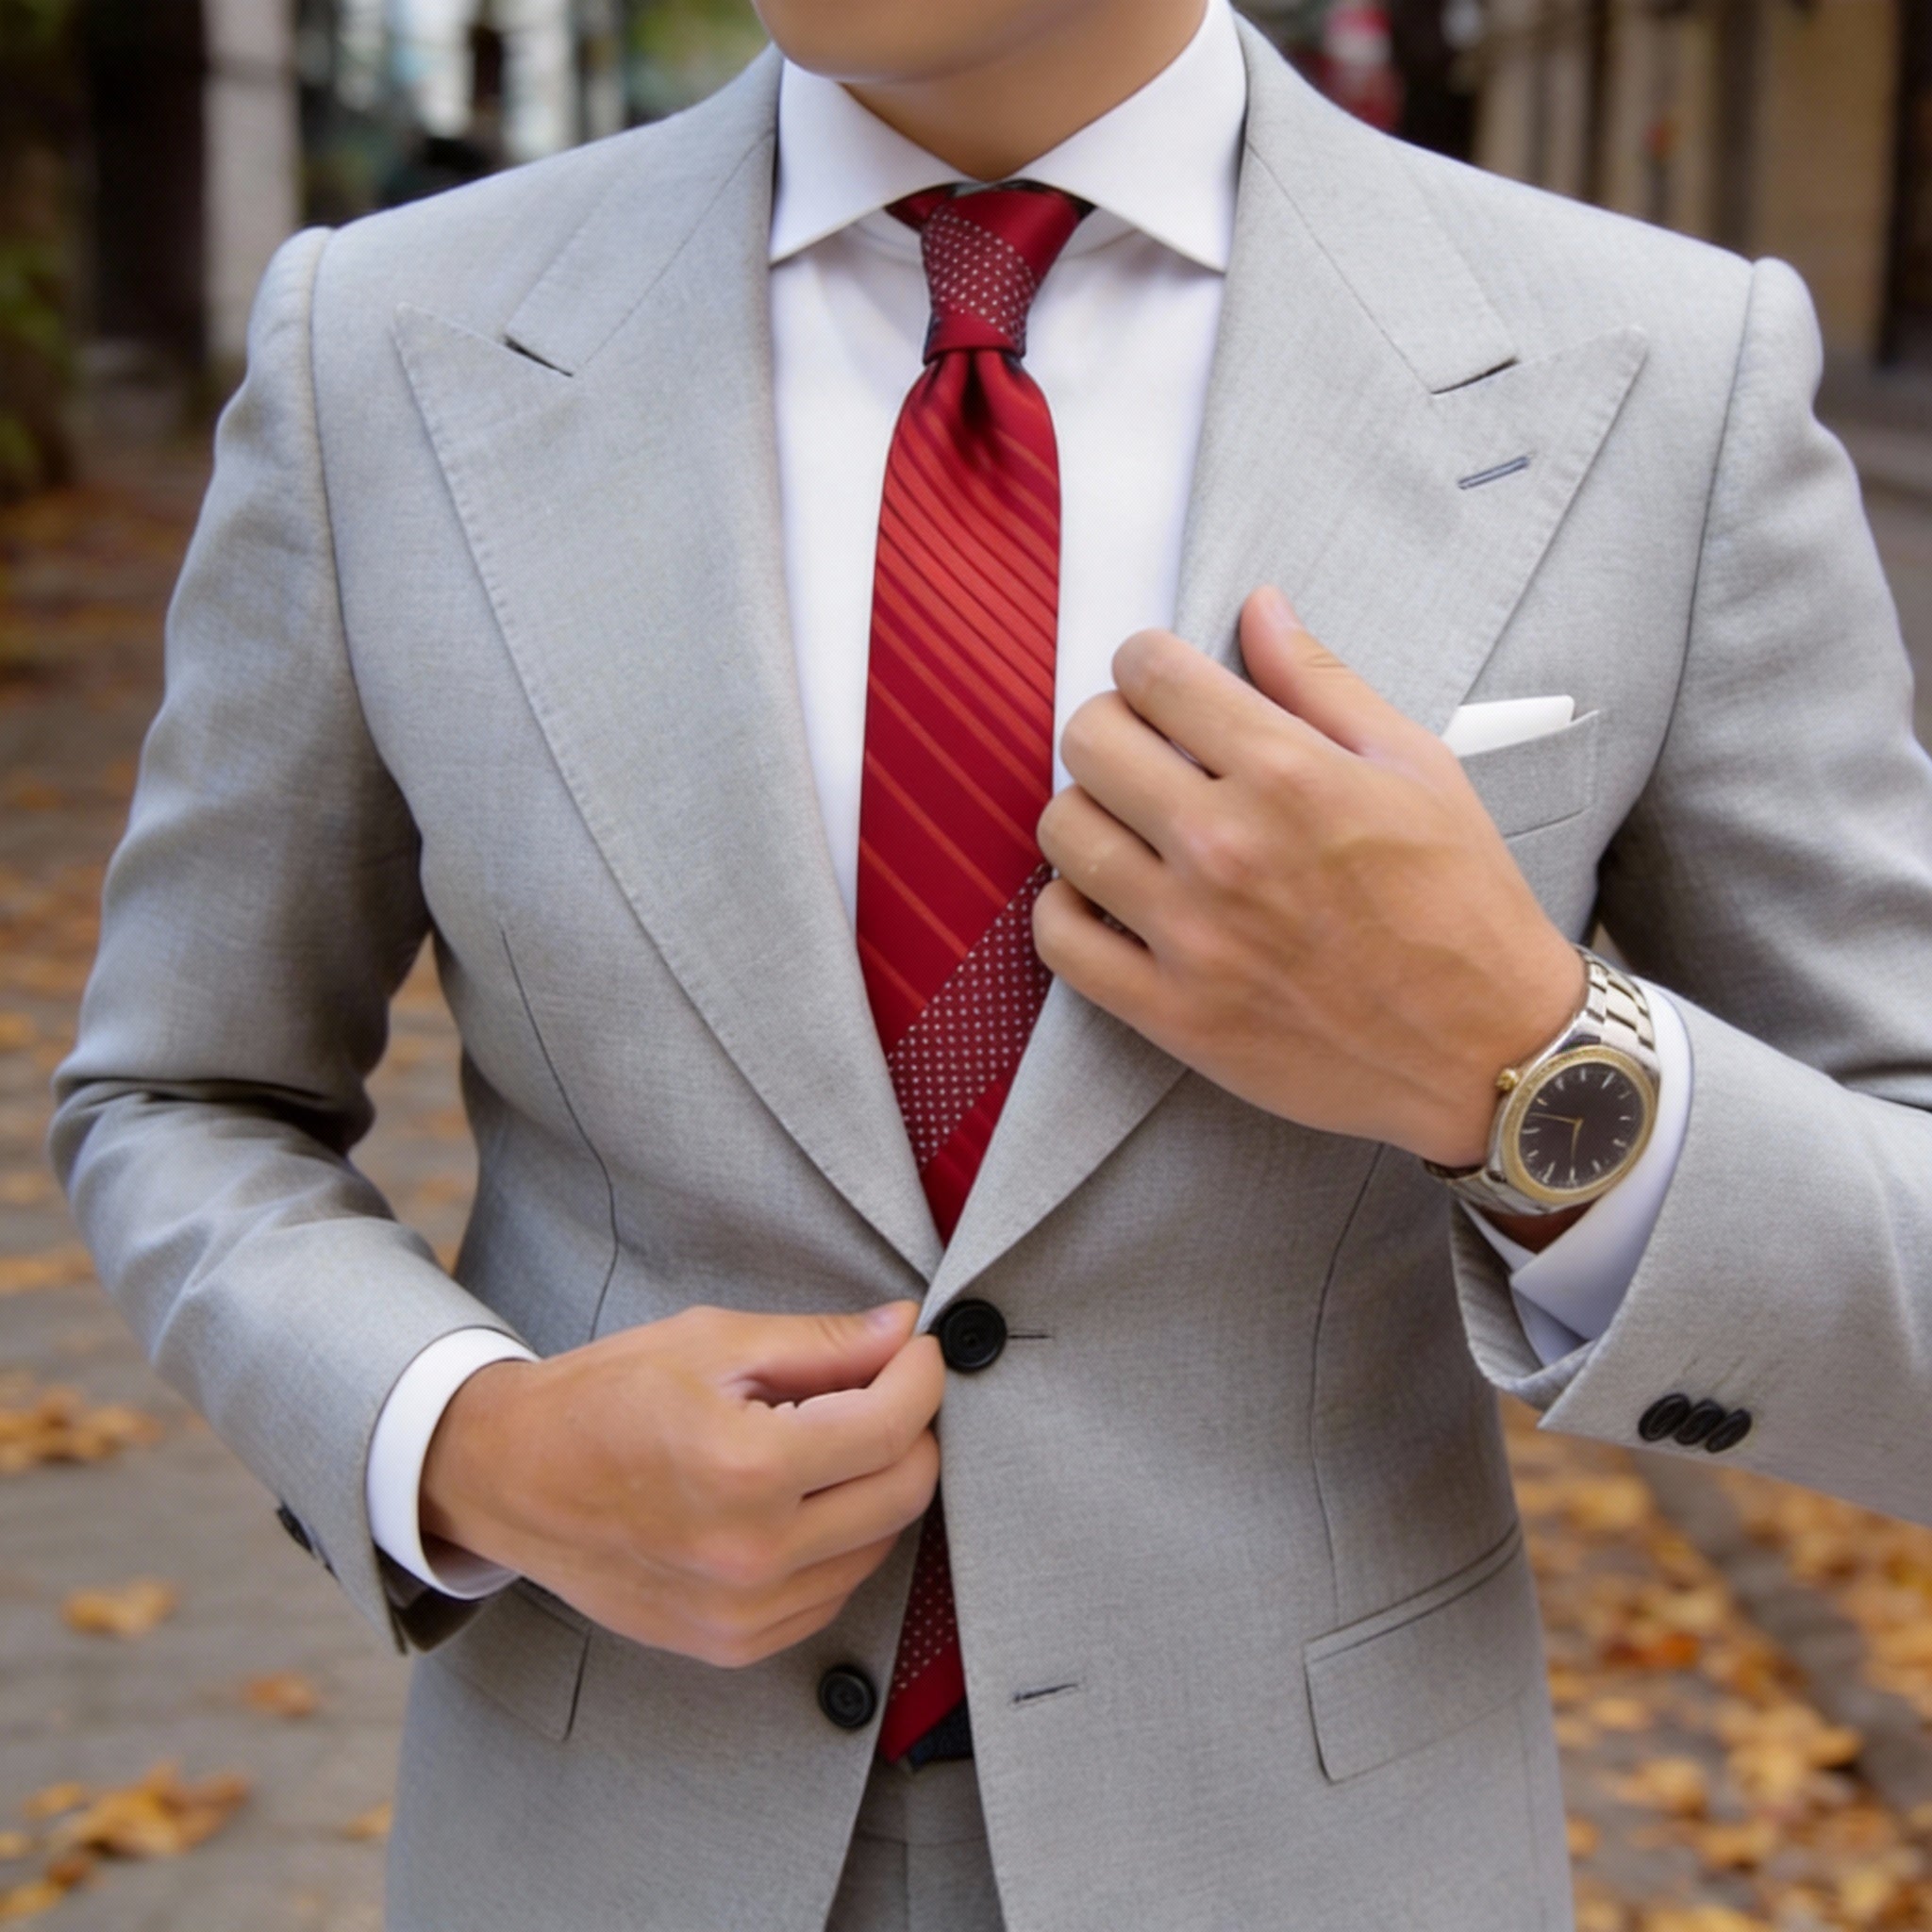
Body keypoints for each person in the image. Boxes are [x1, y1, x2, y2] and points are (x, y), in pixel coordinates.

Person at [51, 0, 1932, 1924]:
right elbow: (180, 1094)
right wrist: (467, 1440)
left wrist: (1523, 1068)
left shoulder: (1660, 371)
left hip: (1313, 1857)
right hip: (606, 1837)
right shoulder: (380, 341)